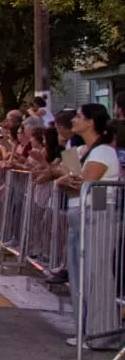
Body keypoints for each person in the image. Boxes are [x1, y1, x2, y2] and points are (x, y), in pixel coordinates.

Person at [55, 103, 120, 336]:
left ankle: (100, 331)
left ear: (91, 121)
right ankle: (84, 329)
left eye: (79, 117)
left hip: (97, 212)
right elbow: (65, 172)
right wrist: (66, 154)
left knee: (95, 274)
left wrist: (65, 180)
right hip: (79, 213)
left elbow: (82, 183)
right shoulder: (83, 150)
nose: (73, 120)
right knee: (79, 275)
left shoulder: (103, 151)